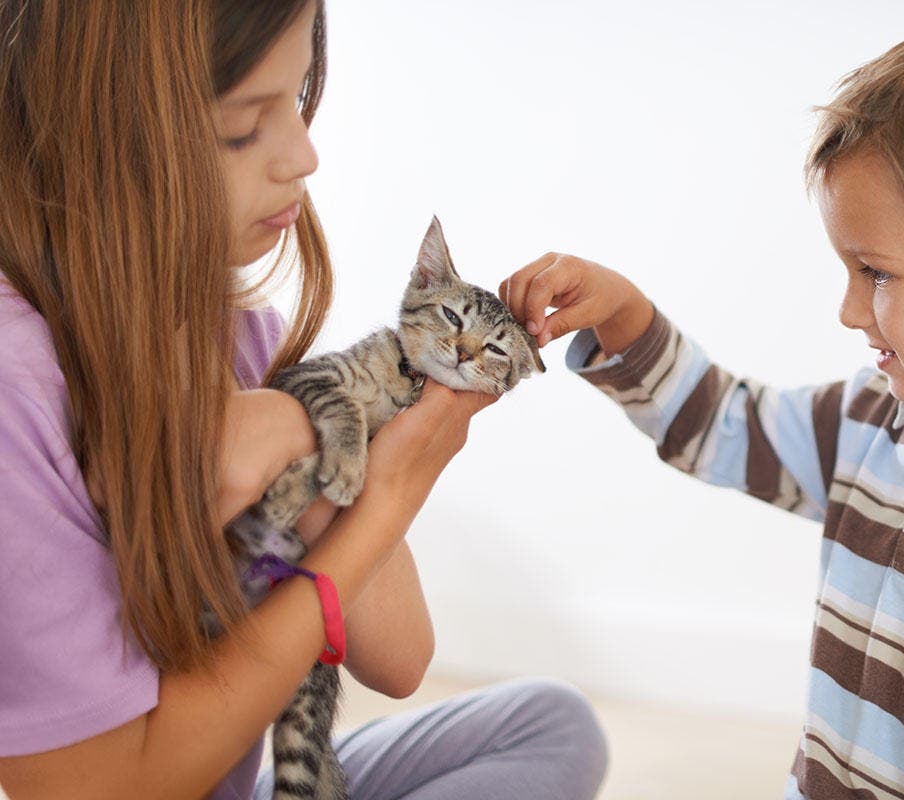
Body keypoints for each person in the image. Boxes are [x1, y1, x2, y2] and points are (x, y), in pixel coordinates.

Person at [502, 3, 904, 798]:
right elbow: (725, 427)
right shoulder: (875, 416)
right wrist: (625, 317)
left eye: (877, 273)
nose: (850, 312)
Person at [0, 2, 607, 799]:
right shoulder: (18, 387)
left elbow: (400, 656)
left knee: (549, 725)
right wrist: (385, 495)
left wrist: (295, 424)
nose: (304, 155)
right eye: (244, 128)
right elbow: (99, 788)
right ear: (100, 147)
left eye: (297, 99)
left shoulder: (239, 337)